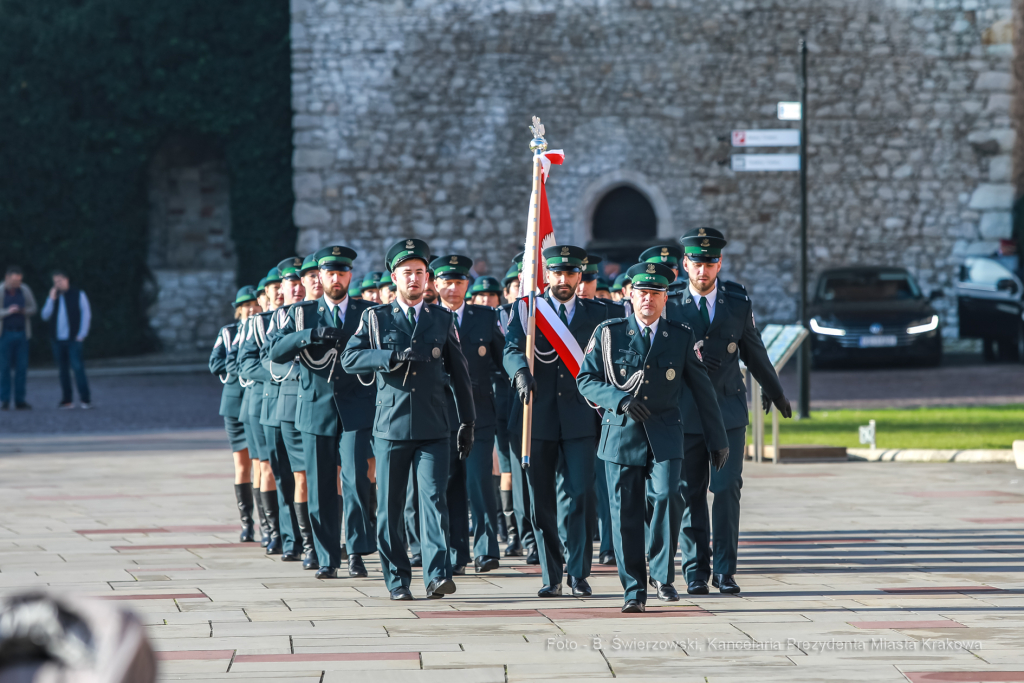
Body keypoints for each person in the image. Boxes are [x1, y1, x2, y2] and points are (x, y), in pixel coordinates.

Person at [577, 262, 728, 612]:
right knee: (625, 513)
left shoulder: (679, 335)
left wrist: (718, 438)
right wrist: (620, 399)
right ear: (630, 295)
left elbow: (702, 389)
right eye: (642, 292)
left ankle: (662, 575)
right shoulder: (609, 332)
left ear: (665, 299)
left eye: (656, 293)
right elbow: (586, 379)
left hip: (664, 433)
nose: (648, 299)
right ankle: (634, 589)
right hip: (620, 436)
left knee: (667, 497)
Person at [341, 238, 475, 601]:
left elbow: (460, 375)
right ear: (394, 278)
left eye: (420, 273)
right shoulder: (375, 317)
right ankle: (398, 579)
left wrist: (468, 422)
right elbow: (349, 360)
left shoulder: (442, 318)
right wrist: (387, 357)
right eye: (407, 273)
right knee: (390, 508)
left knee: (433, 500)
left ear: (428, 278)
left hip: (434, 427)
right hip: (391, 428)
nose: (414, 279)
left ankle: (436, 575)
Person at [668, 227, 792, 595]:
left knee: (726, 489)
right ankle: (694, 571)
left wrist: (775, 390)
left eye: (709, 263)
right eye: (696, 263)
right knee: (689, 492)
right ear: (685, 264)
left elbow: (754, 350)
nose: (702, 271)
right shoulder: (671, 303)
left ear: (719, 263)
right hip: (686, 411)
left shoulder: (737, 302)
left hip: (727, 409)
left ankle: (724, 570)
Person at [503, 245, 612, 598]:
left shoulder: (597, 314)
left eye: (570, 273)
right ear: (546, 275)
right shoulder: (529, 310)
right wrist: (519, 371)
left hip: (582, 419)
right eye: (557, 273)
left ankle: (578, 573)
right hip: (537, 418)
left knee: (580, 496)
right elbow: (511, 349)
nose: (563, 280)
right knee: (541, 502)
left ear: (580, 276)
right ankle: (551, 574)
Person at [269, 245, 378, 580]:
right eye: (329, 273)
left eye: (342, 272)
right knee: (319, 488)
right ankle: (327, 555)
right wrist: (308, 335)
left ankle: (357, 552)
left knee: (358, 480)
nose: (335, 278)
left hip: (356, 410)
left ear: (349, 275)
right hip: (315, 410)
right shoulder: (302, 313)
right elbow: (276, 351)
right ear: (320, 276)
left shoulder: (368, 311)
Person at [430, 255, 505, 574]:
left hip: (478, 412)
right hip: (439, 414)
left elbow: (504, 361)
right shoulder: (428, 317)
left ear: (467, 285)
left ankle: (486, 550)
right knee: (449, 485)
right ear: (436, 285)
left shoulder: (485, 317)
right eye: (446, 281)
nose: (452, 287)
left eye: (459, 281)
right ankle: (456, 551)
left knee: (478, 480)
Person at [237, 266, 285, 555]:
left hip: (293, 403)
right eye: (275, 286)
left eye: (286, 284)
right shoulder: (256, 323)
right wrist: (280, 373)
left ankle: (289, 530)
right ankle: (272, 528)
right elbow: (245, 364)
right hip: (260, 402)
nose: (280, 290)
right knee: (265, 466)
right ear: (265, 294)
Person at [210, 286, 260, 542]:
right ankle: (246, 523)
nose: (251, 309)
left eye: (254, 304)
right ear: (239, 309)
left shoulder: (263, 327)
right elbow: (214, 362)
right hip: (234, 402)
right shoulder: (229, 333)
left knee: (262, 464)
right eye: (246, 305)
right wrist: (236, 370)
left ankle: (267, 523)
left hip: (256, 402)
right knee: (242, 465)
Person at [495, 254, 535, 561]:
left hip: (545, 404)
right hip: (511, 404)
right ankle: (524, 534)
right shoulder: (506, 315)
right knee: (517, 475)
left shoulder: (547, 311)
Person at [40, 270, 92, 409]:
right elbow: (45, 315)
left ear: (67, 280)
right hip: (57, 340)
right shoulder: (54, 297)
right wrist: (51, 299)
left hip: (73, 339)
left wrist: (82, 334)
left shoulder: (78, 294)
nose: (58, 284)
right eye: (55, 282)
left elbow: (86, 314)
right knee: (63, 371)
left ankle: (85, 399)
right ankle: (67, 400)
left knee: (78, 368)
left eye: (60, 281)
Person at [0, 266, 37, 410]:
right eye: (15, 281)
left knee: (22, 368)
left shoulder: (25, 290)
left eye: (19, 281)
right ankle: (5, 399)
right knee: (4, 368)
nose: (17, 283)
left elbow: (33, 308)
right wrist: (8, 311)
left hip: (22, 333)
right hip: (5, 334)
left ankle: (20, 400)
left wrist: (23, 311)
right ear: (7, 277)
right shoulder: (1, 290)